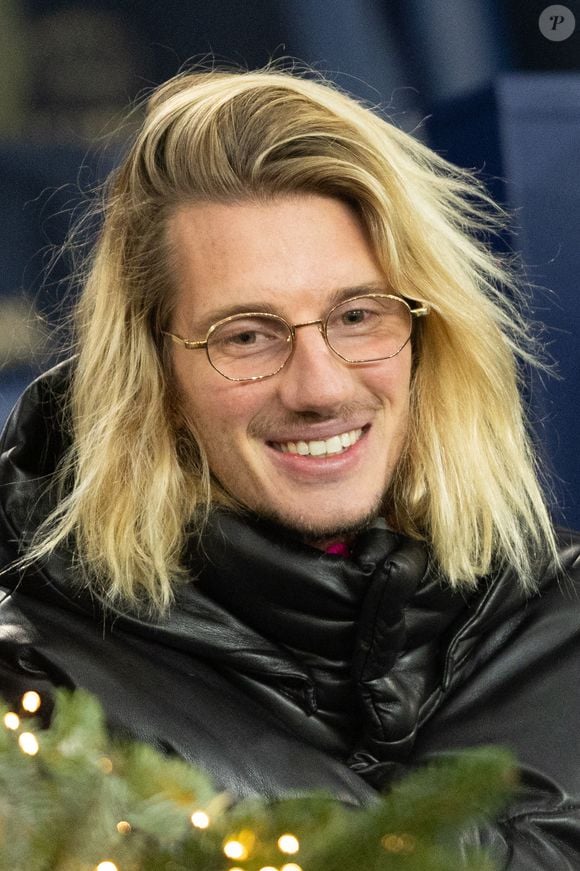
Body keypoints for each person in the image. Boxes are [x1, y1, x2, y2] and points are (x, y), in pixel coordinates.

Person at [0, 67, 579, 868]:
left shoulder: (560, 621)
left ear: (428, 333)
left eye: (357, 315)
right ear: (151, 372)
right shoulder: (33, 675)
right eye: (246, 335)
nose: (320, 386)